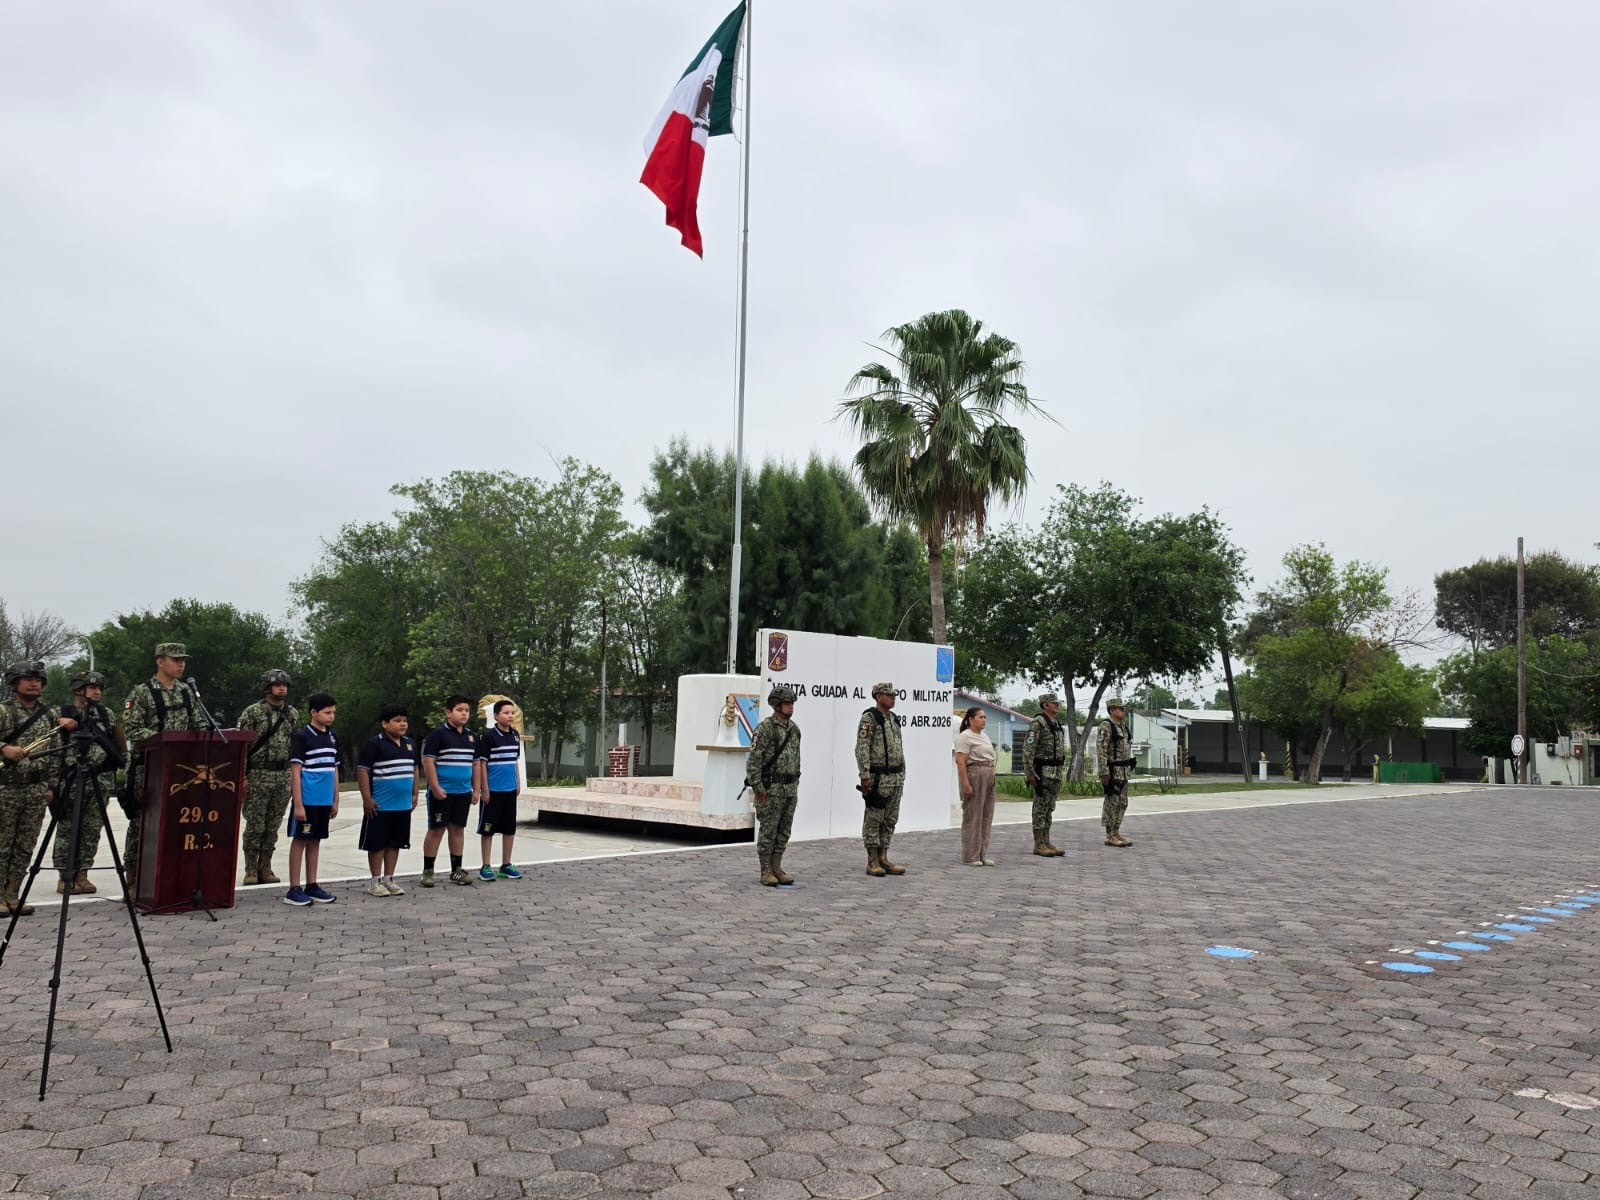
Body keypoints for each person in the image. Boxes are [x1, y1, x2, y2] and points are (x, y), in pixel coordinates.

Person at [120, 642, 201, 888]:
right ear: (159, 661)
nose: (180, 664)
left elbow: (198, 724)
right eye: (175, 659)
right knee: (142, 824)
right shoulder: (142, 692)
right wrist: (164, 740)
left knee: (177, 824)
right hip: (148, 769)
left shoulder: (187, 691)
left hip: (182, 771)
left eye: (183, 659)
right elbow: (132, 729)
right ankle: (135, 880)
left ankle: (169, 877)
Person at [0, 661, 76, 916]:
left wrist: (51, 785)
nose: (34, 683)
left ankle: (13, 895)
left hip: (36, 789)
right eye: (27, 679)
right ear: (14, 683)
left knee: (25, 845)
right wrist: (3, 748)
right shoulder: (4, 711)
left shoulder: (48, 715)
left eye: (38, 679)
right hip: (6, 789)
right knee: (2, 844)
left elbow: (55, 755)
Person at [53, 669, 123, 895]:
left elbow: (118, 744)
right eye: (92, 687)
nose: (97, 691)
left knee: (93, 828)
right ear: (78, 690)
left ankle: (83, 874)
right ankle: (65, 876)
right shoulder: (62, 713)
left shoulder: (106, 714)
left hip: (100, 779)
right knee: (68, 827)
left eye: (99, 687)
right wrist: (58, 721)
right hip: (73, 779)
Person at [236, 668, 298, 886]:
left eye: (285, 685)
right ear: (266, 687)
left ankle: (266, 867)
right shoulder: (252, 713)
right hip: (257, 774)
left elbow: (293, 747)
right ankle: (251, 869)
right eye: (277, 684)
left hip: (282, 775)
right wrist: (242, 777)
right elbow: (242, 747)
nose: (282, 688)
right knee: (255, 825)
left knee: (272, 826)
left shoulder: (291, 714)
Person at [356, 704, 419, 897]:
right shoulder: (374, 744)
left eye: (404, 721)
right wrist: (367, 798)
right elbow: (363, 770)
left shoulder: (410, 743)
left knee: (395, 842)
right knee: (377, 843)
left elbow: (415, 768)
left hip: (402, 805)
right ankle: (375, 881)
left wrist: (415, 793)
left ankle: (389, 878)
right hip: (380, 805)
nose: (402, 724)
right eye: (397, 720)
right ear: (384, 723)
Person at [284, 693, 339, 905]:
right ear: (313, 712)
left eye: (333, 712)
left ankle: (312, 884)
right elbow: (296, 771)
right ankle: (294, 888)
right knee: (301, 840)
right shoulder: (302, 736)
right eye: (327, 712)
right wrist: (298, 803)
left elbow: (335, 768)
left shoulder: (333, 736)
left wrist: (335, 800)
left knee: (316, 840)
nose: (331, 716)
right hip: (307, 799)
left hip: (324, 801)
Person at [745, 684, 802, 887]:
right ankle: (766, 870)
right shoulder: (765, 728)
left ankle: (777, 866)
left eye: (792, 703)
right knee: (768, 830)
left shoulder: (794, 729)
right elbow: (754, 761)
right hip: (771, 790)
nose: (791, 707)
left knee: (784, 830)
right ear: (777, 705)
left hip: (789, 789)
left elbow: (796, 758)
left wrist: (795, 782)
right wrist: (759, 788)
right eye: (787, 703)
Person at [421, 695, 478, 887]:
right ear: (448, 712)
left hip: (463, 792)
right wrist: (435, 786)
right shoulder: (438, 735)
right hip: (442, 792)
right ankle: (428, 871)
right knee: (436, 830)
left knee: (458, 830)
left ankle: (456, 870)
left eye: (467, 710)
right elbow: (428, 761)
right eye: (459, 710)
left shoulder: (471, 736)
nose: (464, 714)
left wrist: (476, 788)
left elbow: (476, 763)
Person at [855, 682, 907, 877]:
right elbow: (862, 748)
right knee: (874, 819)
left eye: (894, 695)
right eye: (888, 695)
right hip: (878, 777)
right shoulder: (870, 718)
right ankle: (872, 860)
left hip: (895, 776)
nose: (893, 698)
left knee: (890, 819)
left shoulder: (893, 719)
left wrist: (902, 773)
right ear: (878, 696)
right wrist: (865, 775)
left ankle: (884, 857)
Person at [473, 700, 524, 883]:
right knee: (488, 829)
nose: (510, 716)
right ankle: (486, 866)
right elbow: (483, 763)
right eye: (506, 713)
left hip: (509, 790)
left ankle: (506, 865)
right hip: (493, 791)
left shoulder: (515, 735)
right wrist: (484, 789)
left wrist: (518, 783)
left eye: (512, 713)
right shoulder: (488, 736)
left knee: (509, 828)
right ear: (496, 716)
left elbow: (514, 761)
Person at [1022, 693, 1068, 857]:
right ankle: (1039, 844)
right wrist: (1030, 772)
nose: (1057, 705)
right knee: (1040, 808)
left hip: (1055, 772)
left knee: (1049, 808)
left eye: (1057, 703)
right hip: (1042, 772)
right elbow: (1028, 749)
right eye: (1053, 703)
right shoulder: (1038, 723)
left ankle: (1047, 840)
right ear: (1045, 705)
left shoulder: (1056, 723)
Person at [953, 707, 997, 866]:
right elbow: (960, 761)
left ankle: (981, 853)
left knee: (986, 814)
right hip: (975, 773)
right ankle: (970, 855)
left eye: (985, 717)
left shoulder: (983, 735)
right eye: (980, 717)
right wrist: (965, 783)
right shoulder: (965, 737)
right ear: (970, 719)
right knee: (974, 815)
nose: (984, 720)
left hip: (988, 773)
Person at [1098, 698, 1135, 847]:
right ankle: (1110, 834)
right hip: (1113, 772)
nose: (1123, 711)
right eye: (1120, 708)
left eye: (1123, 708)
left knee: (1122, 803)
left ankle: (1116, 831)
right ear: (1112, 710)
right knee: (1111, 803)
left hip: (1124, 771)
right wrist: (1104, 771)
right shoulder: (1106, 727)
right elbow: (1101, 750)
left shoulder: (1124, 727)